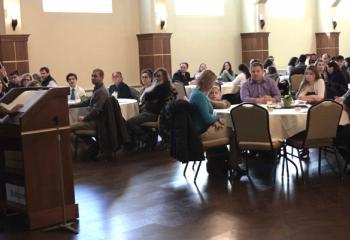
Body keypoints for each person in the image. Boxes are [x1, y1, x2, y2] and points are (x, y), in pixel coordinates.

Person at [189, 69, 244, 175]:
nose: (212, 85)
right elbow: (208, 119)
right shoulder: (199, 96)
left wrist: (215, 120)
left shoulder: (197, 93)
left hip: (201, 128)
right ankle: (235, 165)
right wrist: (217, 119)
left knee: (229, 127)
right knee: (234, 132)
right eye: (212, 82)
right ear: (207, 82)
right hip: (202, 132)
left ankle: (227, 161)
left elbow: (208, 116)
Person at [127, 68, 175, 149]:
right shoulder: (156, 87)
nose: (157, 78)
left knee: (129, 122)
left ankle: (145, 137)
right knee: (130, 118)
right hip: (148, 112)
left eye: (159, 76)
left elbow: (158, 105)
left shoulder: (165, 89)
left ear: (164, 77)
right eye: (155, 76)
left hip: (156, 115)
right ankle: (144, 139)